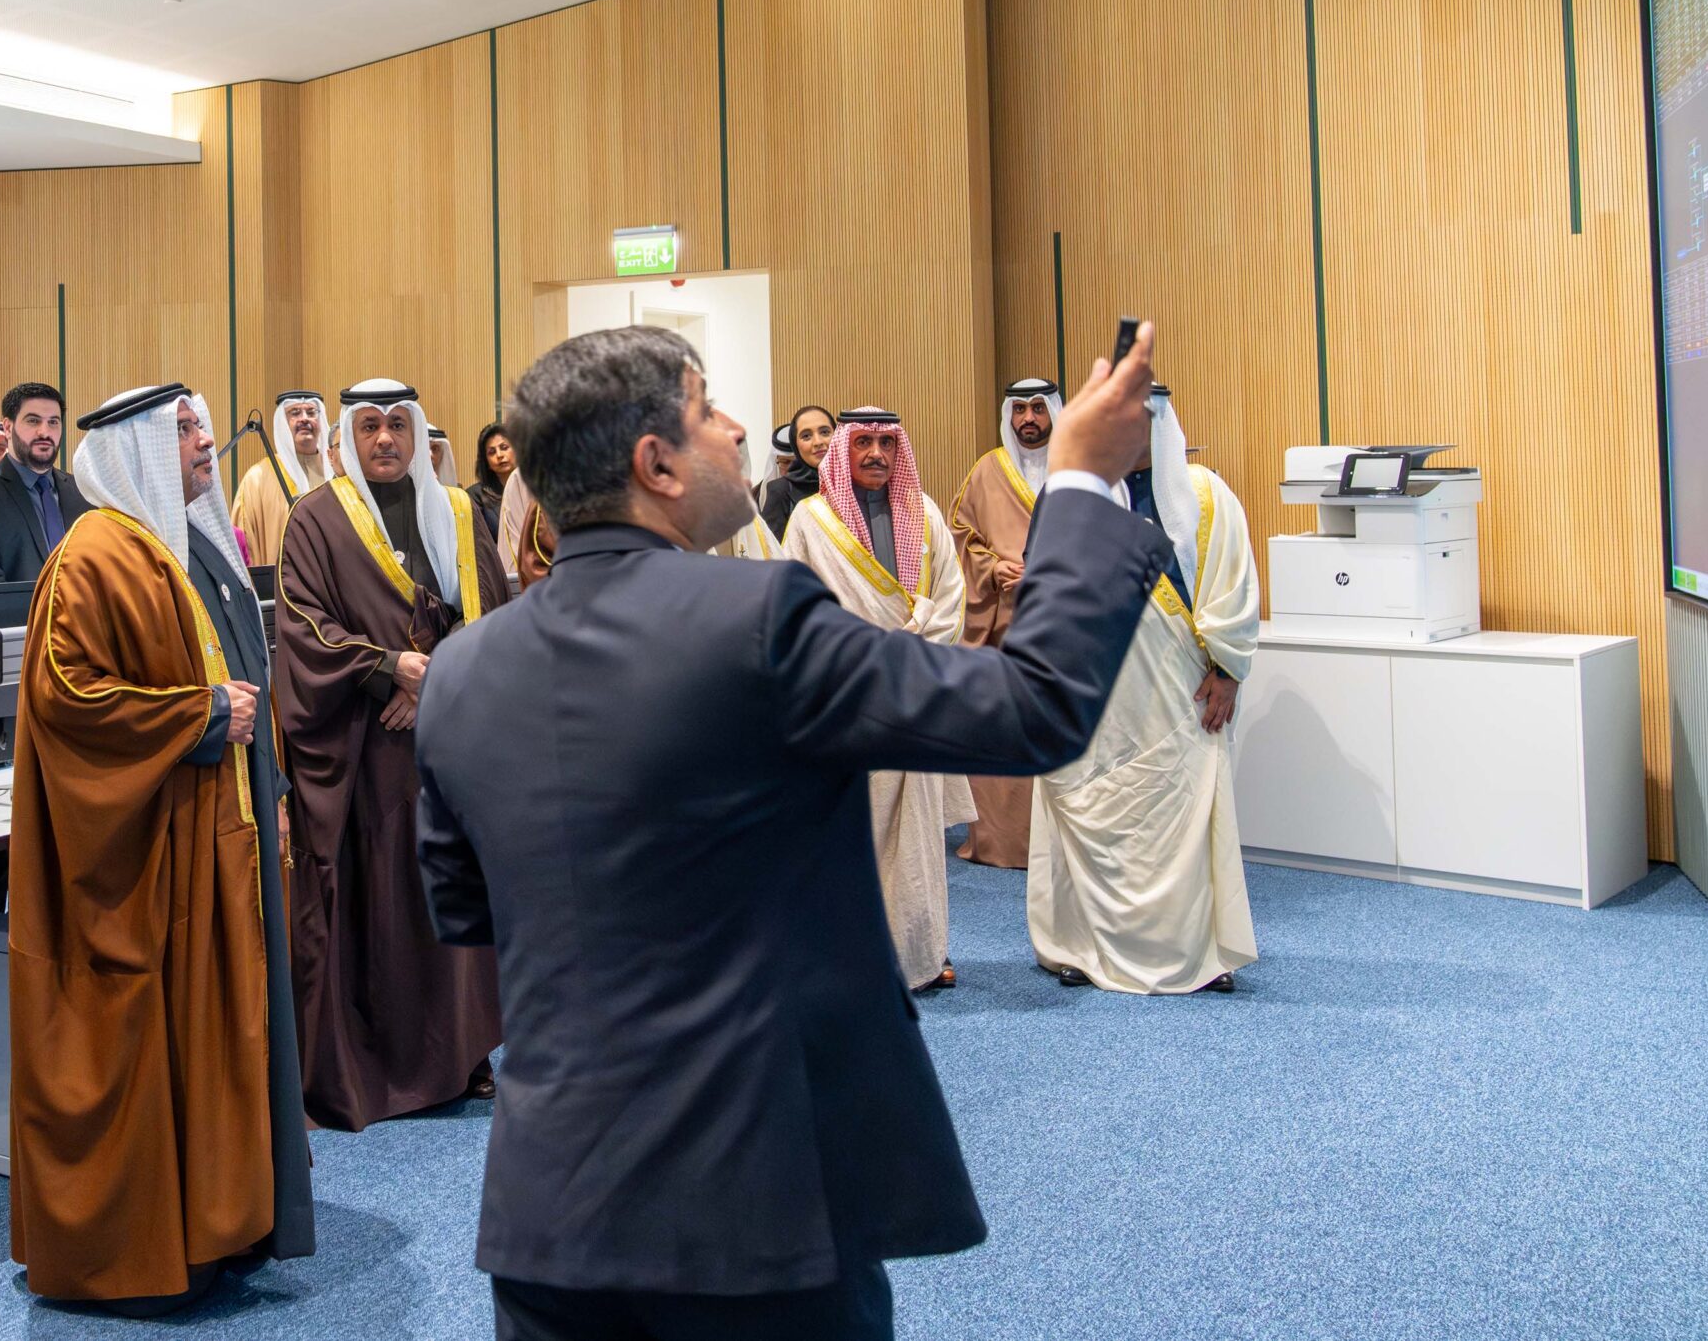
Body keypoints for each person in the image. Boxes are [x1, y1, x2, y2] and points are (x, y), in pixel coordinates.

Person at [411, 322, 1171, 1341]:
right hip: (759, 1203)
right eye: (708, 409)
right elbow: (1034, 708)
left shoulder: (459, 670)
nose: (737, 429)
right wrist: (1078, 481)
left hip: (552, 1211)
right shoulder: (759, 615)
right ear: (656, 465)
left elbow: (462, 909)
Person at [8, 382, 314, 1310]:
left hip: (216, 837)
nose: (203, 446)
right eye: (182, 433)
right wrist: (199, 716)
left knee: (226, 1030)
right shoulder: (94, 554)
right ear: (133, 448)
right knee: (158, 1034)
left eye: (203, 430)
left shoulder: (180, 548)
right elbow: (66, 698)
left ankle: (224, 1221)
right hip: (147, 857)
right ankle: (152, 1249)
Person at [273, 377, 508, 1130]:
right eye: (370, 425)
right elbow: (303, 625)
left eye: (398, 425)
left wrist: (432, 680)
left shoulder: (459, 510)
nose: (385, 439)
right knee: (380, 902)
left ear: (417, 433)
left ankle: (461, 1055)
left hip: (445, 743)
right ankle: (380, 1064)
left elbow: (493, 616)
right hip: (365, 746)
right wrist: (385, 671)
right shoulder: (316, 517)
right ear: (348, 435)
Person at [1028, 383, 1260, 995]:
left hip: (1183, 691)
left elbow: (1236, 585)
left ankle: (1193, 952)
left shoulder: (1206, 493)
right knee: (1089, 808)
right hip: (1092, 694)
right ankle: (1078, 946)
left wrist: (1229, 670)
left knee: (1182, 819)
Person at [781, 407, 975, 992]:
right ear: (844, 449)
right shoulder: (811, 521)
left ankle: (921, 951)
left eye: (886, 444)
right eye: (862, 442)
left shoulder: (925, 512)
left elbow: (951, 599)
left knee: (917, 837)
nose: (875, 454)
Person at [948, 377, 1064, 869]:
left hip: (1063, 627)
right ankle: (1001, 843)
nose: (1028, 419)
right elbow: (960, 535)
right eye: (1019, 409)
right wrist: (993, 569)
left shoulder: (1078, 470)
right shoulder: (986, 470)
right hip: (1001, 625)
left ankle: (1062, 848)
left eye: (1038, 408)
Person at [0, 382, 92, 583]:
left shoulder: (83, 492)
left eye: (53, 422)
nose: (44, 432)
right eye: (33, 421)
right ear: (8, 427)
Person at [230, 389, 336, 565]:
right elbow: (245, 545)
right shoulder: (257, 479)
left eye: (311, 413)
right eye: (295, 413)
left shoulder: (334, 474)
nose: (304, 419)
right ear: (282, 423)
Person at [756, 403, 834, 539]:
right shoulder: (781, 491)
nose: (818, 442)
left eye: (825, 432)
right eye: (806, 436)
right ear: (796, 445)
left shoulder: (854, 483)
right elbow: (772, 548)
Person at [468, 422, 514, 534]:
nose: (499, 455)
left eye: (504, 448)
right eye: (492, 452)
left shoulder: (534, 489)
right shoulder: (475, 497)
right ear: (486, 462)